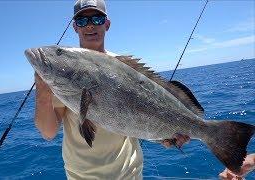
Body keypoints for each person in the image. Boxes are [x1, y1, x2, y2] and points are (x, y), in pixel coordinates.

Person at [33, 0, 253, 179]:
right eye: (82, 20)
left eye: (97, 18)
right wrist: (43, 91)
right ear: (75, 26)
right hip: (80, 175)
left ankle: (217, 135)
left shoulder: (121, 65)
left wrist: (165, 137)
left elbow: (139, 121)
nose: (90, 25)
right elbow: (49, 132)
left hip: (129, 173)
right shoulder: (62, 75)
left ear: (106, 24)